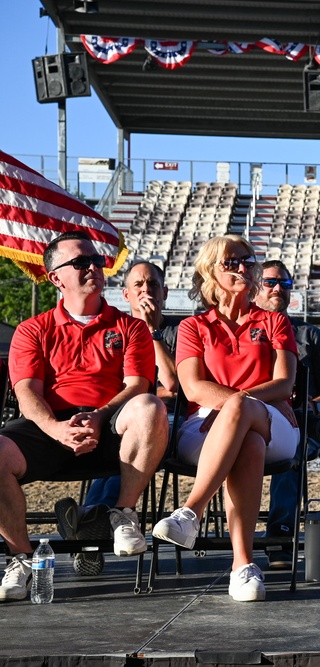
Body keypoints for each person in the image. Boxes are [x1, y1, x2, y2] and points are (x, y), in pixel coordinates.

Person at [0, 232, 168, 602]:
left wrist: (99, 415)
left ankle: (123, 515)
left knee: (150, 407)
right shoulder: (33, 329)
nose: (93, 266)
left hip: (112, 424)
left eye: (95, 260)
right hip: (50, 425)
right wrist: (56, 428)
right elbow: (27, 392)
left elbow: (139, 384)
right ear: (55, 277)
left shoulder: (131, 327)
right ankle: (22, 559)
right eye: (80, 262)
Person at [152, 235, 299, 602]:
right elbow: (192, 387)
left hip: (273, 422)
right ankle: (243, 567)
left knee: (242, 413)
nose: (243, 267)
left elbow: (284, 384)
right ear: (209, 272)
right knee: (246, 443)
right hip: (205, 424)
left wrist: (235, 405)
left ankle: (191, 511)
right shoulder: (193, 327)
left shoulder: (274, 321)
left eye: (248, 261)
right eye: (231, 262)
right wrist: (232, 408)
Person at [56, 260, 183, 577]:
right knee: (120, 441)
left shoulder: (181, 331)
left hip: (166, 421)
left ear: (165, 291)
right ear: (125, 294)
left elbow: (174, 386)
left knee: (141, 428)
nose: (146, 291)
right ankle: (94, 521)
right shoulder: (115, 330)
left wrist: (151, 331)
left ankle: (88, 523)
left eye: (152, 284)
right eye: (138, 285)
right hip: (119, 420)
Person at [253, 259, 320, 570]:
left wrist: (314, 406)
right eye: (269, 282)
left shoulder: (310, 336)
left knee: (290, 449)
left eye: (285, 284)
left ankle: (280, 533)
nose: (278, 288)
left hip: (298, 425)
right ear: (254, 287)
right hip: (247, 422)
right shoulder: (240, 333)